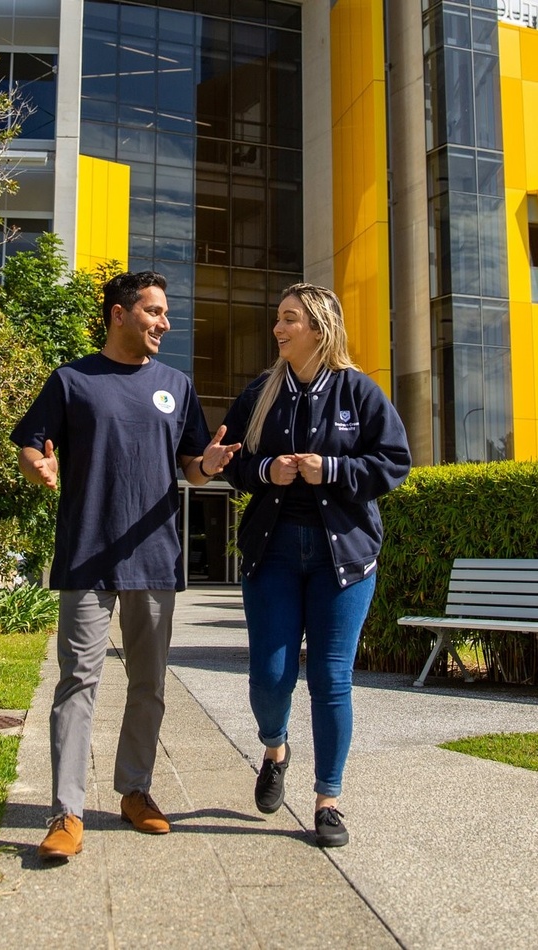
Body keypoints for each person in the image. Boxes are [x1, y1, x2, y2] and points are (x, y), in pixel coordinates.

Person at [11, 270, 240, 860]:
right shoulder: (72, 381)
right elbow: (31, 441)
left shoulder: (175, 385)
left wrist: (209, 463)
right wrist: (37, 464)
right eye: (154, 312)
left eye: (166, 313)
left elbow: (190, 467)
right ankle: (66, 812)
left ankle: (136, 791)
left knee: (149, 685)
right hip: (87, 554)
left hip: (154, 557)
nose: (165, 323)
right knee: (78, 681)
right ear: (119, 314)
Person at [220, 283, 411, 847]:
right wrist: (264, 474)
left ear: (321, 328)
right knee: (270, 677)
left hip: (343, 557)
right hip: (273, 551)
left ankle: (329, 798)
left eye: (289, 320)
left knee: (331, 680)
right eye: (278, 319)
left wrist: (331, 468)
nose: (278, 329)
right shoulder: (261, 393)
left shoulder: (360, 392)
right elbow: (232, 462)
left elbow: (393, 462)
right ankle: (275, 748)